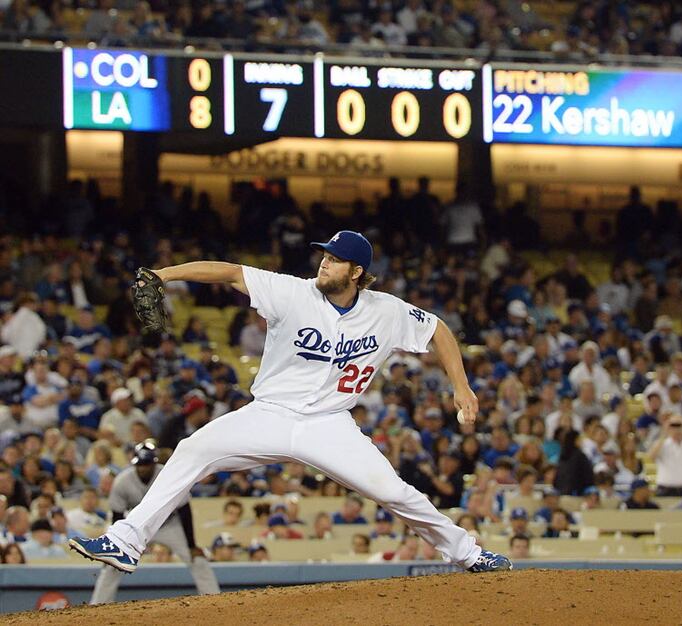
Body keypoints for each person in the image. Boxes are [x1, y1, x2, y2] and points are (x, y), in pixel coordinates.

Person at [70, 231, 511, 573]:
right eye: (324, 254)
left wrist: (461, 385)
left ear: (356, 271)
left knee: (395, 491)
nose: (325, 262)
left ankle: (468, 554)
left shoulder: (386, 311)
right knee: (190, 451)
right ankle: (126, 541)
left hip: (330, 424)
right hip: (269, 414)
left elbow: (438, 330)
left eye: (335, 259)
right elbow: (228, 272)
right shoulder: (291, 291)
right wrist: (166, 274)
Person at [83, 442, 220, 604]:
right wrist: (118, 544)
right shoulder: (123, 481)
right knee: (112, 562)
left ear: (154, 463)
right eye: (140, 464)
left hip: (169, 524)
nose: (142, 468)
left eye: (146, 464)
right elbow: (118, 515)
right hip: (137, 527)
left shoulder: (168, 475)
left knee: (197, 558)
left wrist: (191, 545)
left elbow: (184, 509)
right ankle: (97, 605)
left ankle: (214, 601)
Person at [647, 414, 682, 497]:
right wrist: (664, 432)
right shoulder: (662, 444)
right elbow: (651, 456)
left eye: (679, 425)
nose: (676, 429)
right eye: (673, 425)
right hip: (664, 488)